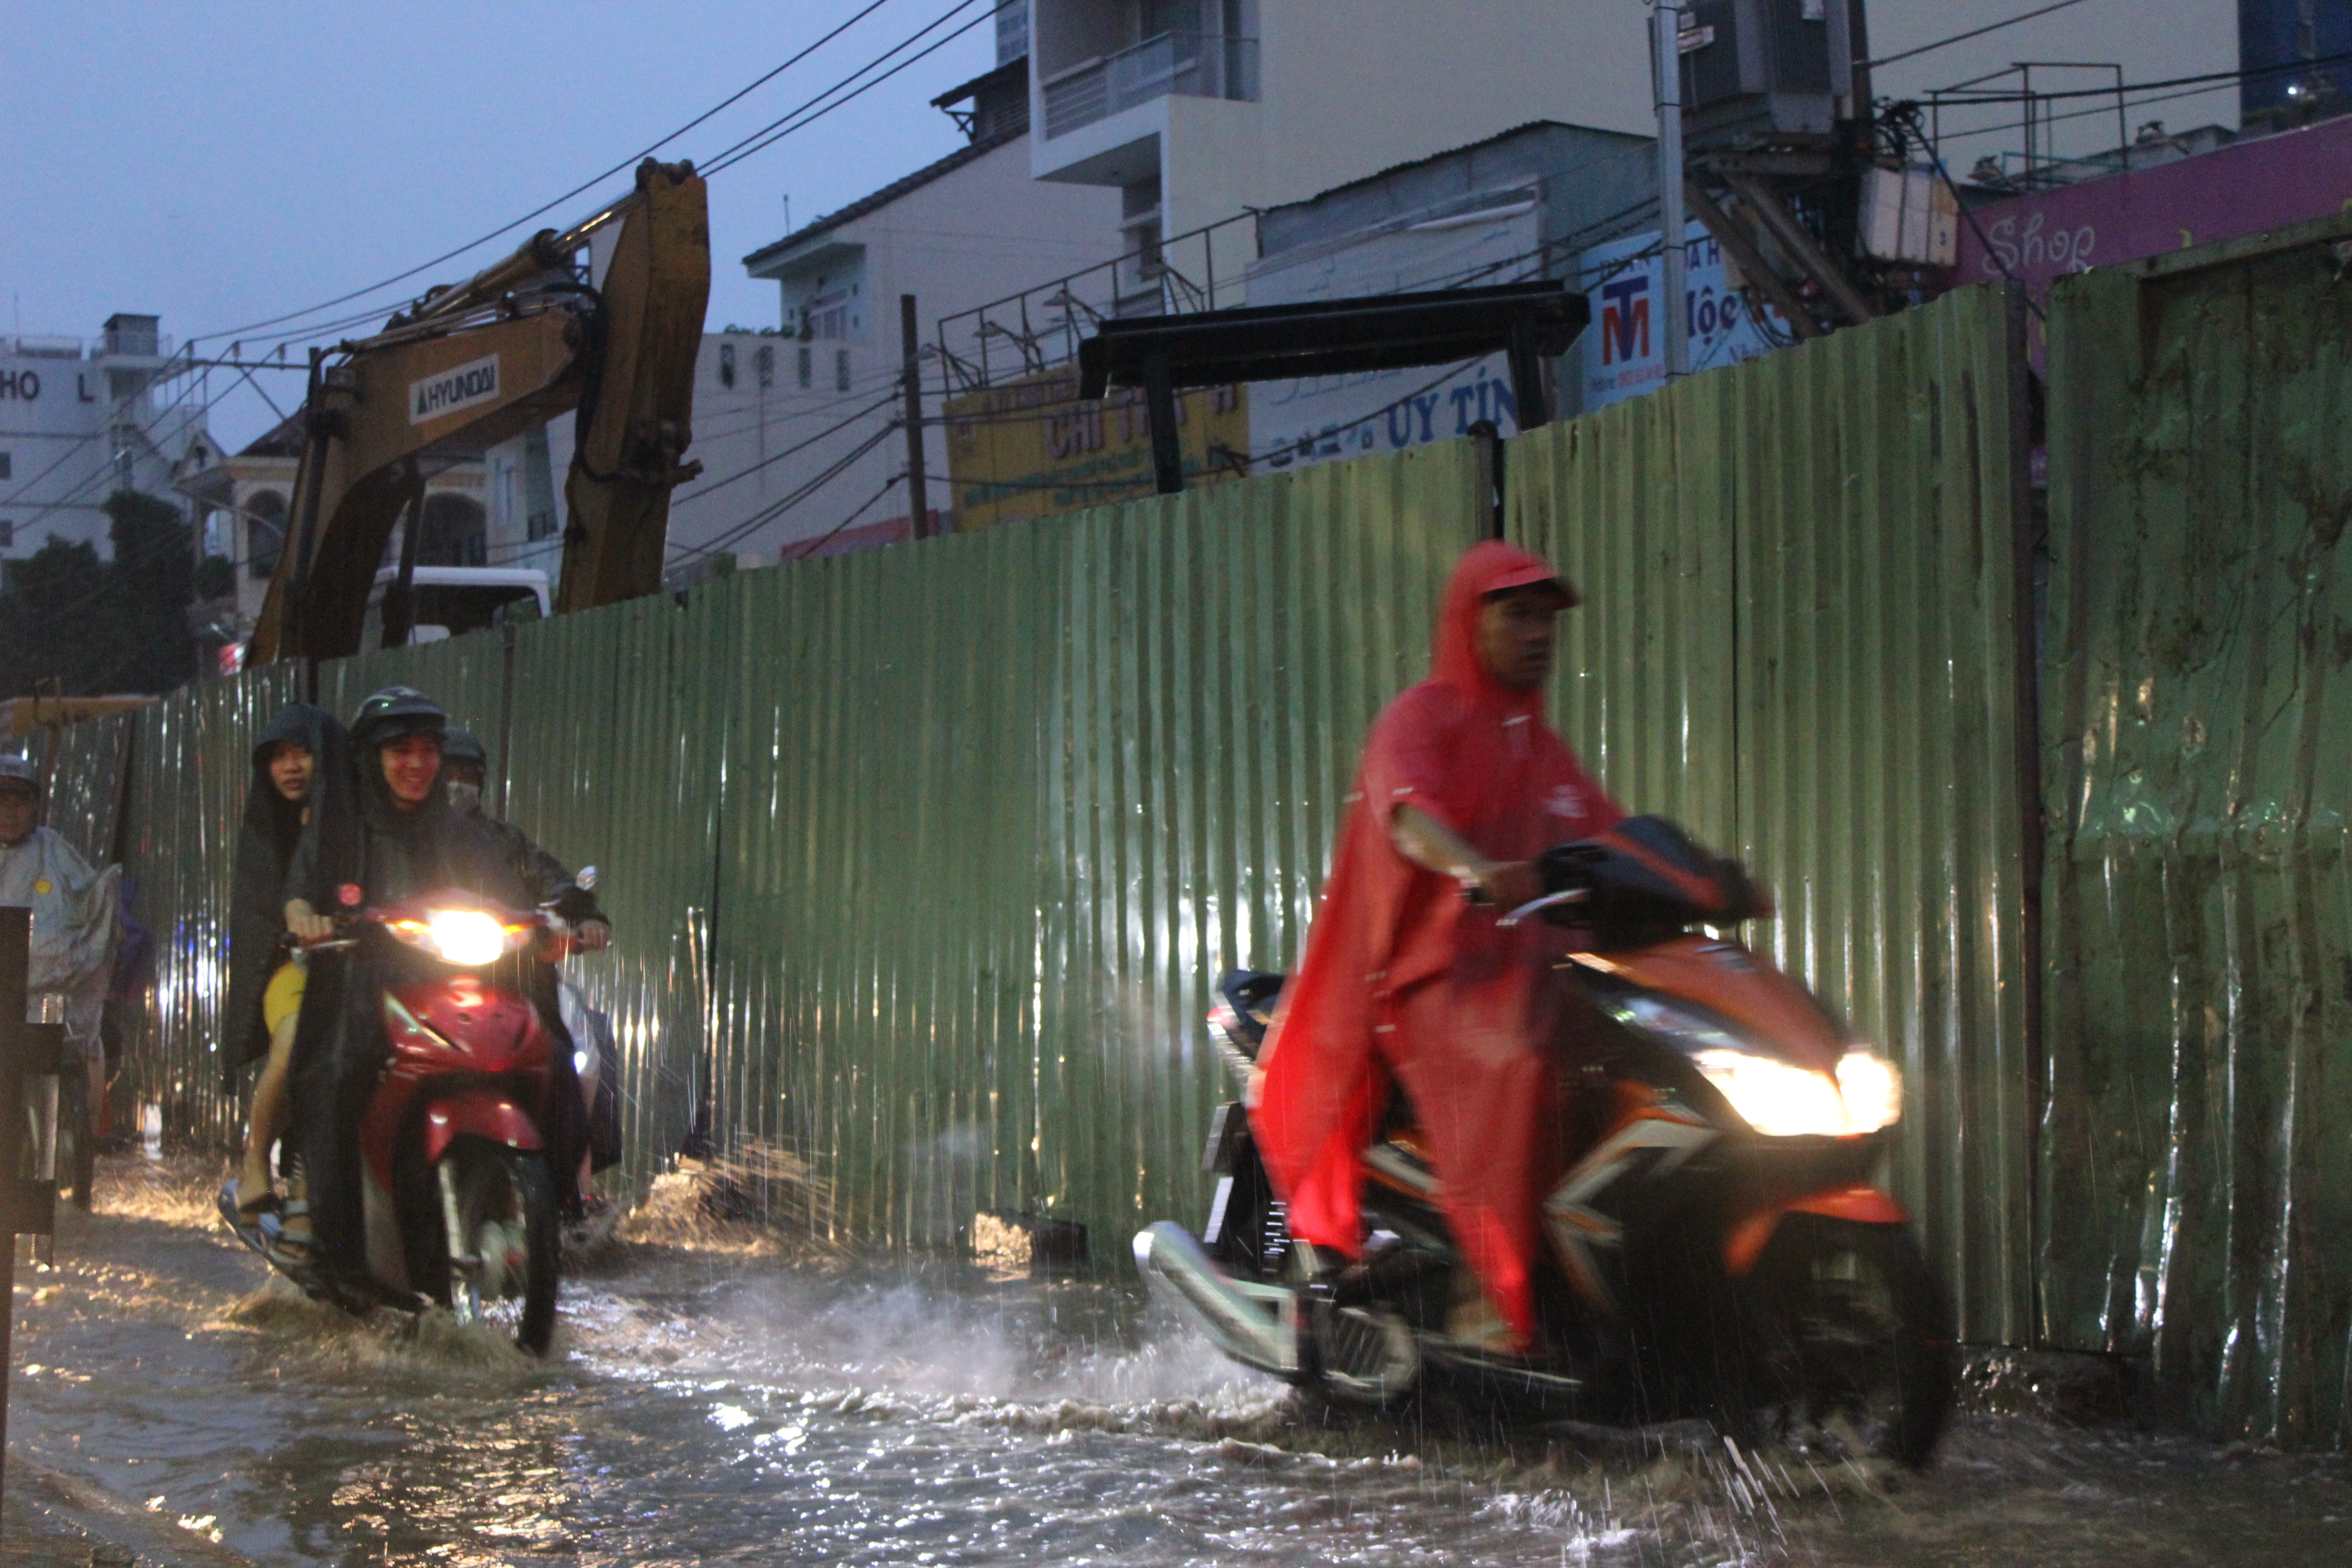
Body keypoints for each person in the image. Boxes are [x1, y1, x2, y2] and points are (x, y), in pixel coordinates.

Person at [1249, 541, 1624, 1356]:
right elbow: (1407, 815)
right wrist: (1474, 867)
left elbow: (1612, 835)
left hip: (1524, 974)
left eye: (1545, 617)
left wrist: (1700, 881)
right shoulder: (1422, 717)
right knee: (1520, 1064)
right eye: (1514, 613)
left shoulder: (1538, 745)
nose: (1537, 633)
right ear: (1468, 620)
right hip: (1431, 984)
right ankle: (1487, 1298)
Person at [280, 687, 583, 1275]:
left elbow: (508, 893)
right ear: (372, 756)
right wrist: (307, 919)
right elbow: (300, 892)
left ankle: (555, 1206)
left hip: (454, 984)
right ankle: (326, 1227)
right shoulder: (341, 825)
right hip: (364, 984)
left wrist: (555, 926)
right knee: (337, 1071)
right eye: (401, 751)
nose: (417, 764)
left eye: (427, 751)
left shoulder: (458, 831)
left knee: (549, 1053)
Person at [224, 704, 338, 1220]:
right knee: (295, 1041)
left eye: (303, 754)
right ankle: (255, 1161)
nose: (291, 767)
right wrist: (298, 923)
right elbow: (269, 912)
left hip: (372, 967)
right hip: (294, 967)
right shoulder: (266, 832)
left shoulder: (359, 821)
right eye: (278, 757)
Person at [0, 754, 120, 1093]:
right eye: (1, 799)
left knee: (48, 1063)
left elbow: (95, 900)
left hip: (43, 998)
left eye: (19, 800)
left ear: (35, 805)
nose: (10, 811)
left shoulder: (52, 849)